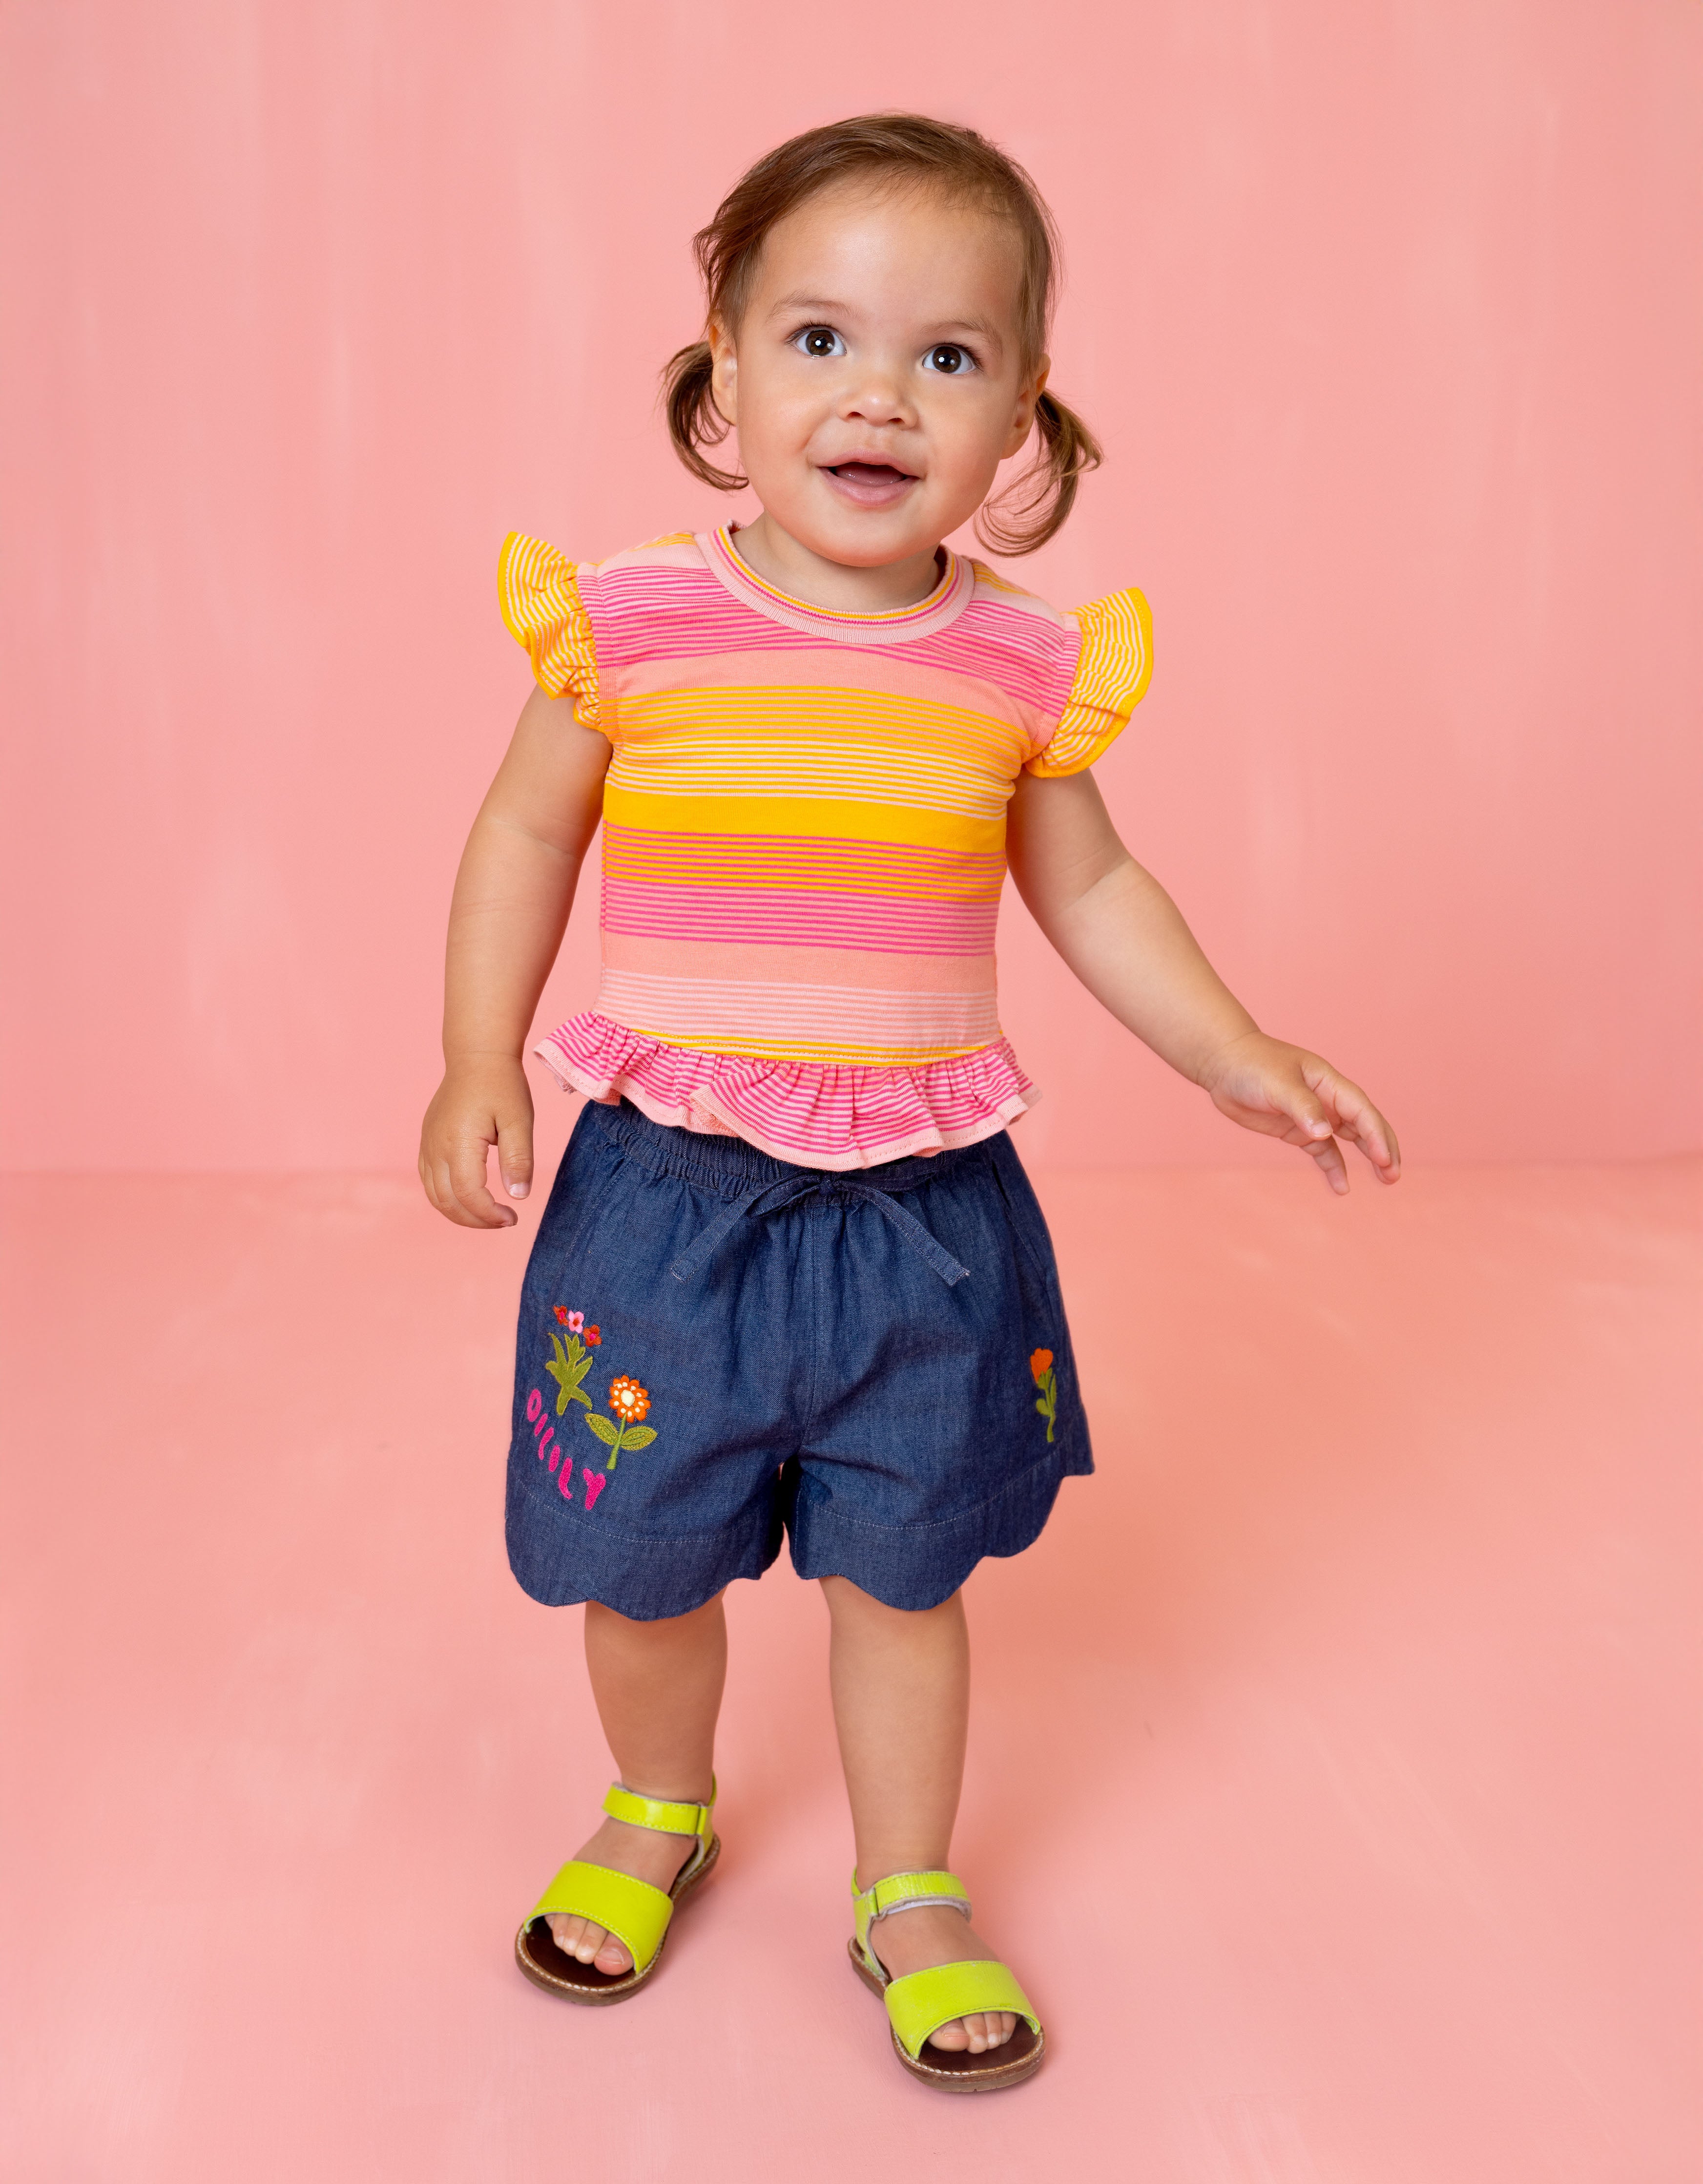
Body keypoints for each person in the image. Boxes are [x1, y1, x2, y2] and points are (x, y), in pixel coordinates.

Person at [418, 112, 1399, 2093]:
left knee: (905, 1568)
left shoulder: (1017, 664)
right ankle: (656, 1804)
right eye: (819, 340)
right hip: (665, 1196)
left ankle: (908, 1881)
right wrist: (473, 1052)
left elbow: (1094, 890)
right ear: (721, 367)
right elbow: (523, 831)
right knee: (641, 1561)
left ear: (1019, 410)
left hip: (922, 1212)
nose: (878, 396)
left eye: (946, 355)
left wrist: (1236, 1048)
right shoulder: (633, 621)